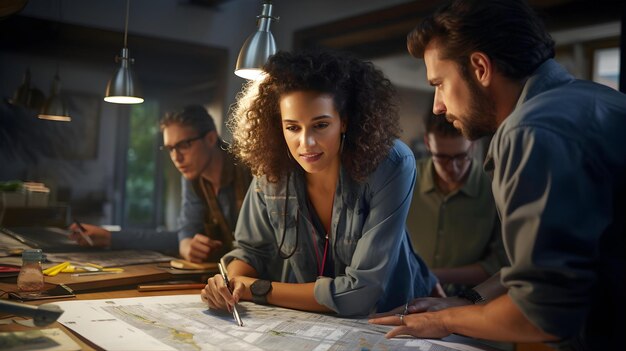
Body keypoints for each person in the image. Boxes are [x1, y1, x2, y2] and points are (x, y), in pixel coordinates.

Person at [369, 1, 626, 349]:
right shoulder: (601, 100)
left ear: (480, 67)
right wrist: (470, 302)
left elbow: (540, 313)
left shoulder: (529, 131)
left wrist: (441, 319)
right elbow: (549, 268)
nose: (437, 106)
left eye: (440, 83)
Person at [200, 50, 439, 317]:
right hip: (315, 320)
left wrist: (256, 288)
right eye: (292, 127)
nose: (306, 143)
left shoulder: (391, 164)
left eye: (321, 125)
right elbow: (251, 252)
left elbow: (360, 293)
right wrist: (230, 283)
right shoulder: (273, 168)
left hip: (395, 317)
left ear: (344, 121)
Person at [70, 105, 252, 263]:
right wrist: (187, 244)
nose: (176, 158)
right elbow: (184, 235)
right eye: (170, 149)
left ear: (211, 139)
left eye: (184, 145)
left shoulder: (250, 169)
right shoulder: (192, 178)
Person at [407, 113, 507, 296]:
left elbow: (500, 265)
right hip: (408, 293)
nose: (452, 167)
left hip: (470, 299)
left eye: (461, 157)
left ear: (473, 144)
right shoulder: (407, 180)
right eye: (442, 157)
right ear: (428, 144)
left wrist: (432, 275)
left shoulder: (495, 189)